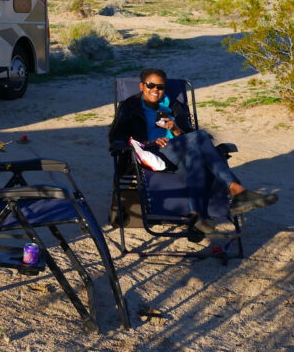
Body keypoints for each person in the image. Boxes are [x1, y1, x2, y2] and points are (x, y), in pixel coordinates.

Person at [109, 67, 277, 239]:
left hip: (178, 149)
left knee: (195, 154)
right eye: (151, 85)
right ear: (142, 86)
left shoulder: (174, 105)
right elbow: (117, 137)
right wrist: (149, 142)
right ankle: (236, 189)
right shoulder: (130, 106)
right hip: (152, 154)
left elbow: (188, 135)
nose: (155, 90)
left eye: (160, 87)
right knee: (201, 136)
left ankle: (196, 216)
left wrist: (175, 129)